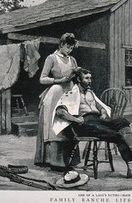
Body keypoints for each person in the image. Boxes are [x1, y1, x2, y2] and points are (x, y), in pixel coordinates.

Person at [52, 68, 132, 178]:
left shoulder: (90, 93)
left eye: (90, 78)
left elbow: (101, 106)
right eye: (86, 78)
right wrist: (76, 119)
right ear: (79, 79)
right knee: (117, 135)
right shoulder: (71, 94)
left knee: (122, 121)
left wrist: (103, 112)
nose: (90, 81)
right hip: (84, 124)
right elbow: (60, 111)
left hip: (97, 121)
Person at [34, 33, 80, 170]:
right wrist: (58, 80)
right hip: (55, 94)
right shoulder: (51, 58)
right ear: (61, 45)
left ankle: (69, 160)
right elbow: (42, 79)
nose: (69, 50)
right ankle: (52, 160)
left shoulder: (72, 60)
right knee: (54, 126)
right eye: (67, 47)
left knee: (68, 124)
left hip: (69, 93)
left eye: (71, 48)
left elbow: (76, 76)